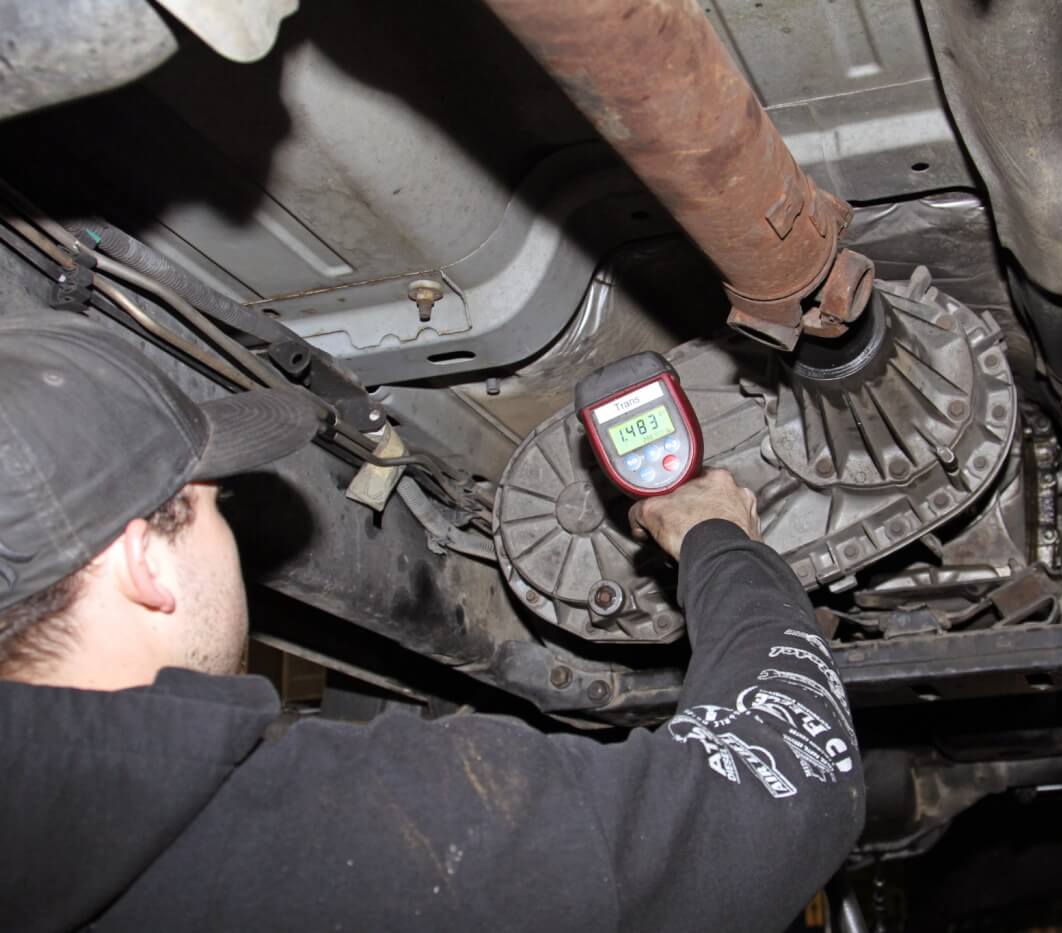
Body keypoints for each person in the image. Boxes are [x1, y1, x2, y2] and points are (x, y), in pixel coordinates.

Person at [0, 314, 865, 932]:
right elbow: (789, 782)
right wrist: (716, 535)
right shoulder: (367, 834)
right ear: (140, 562)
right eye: (211, 502)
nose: (229, 530)